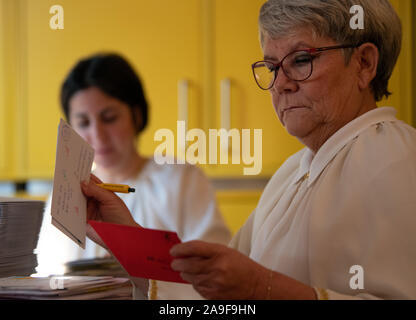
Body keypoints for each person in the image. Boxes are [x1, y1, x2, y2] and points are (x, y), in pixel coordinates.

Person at [81, 0, 416, 300]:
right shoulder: (292, 173)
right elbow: (215, 294)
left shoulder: (397, 159)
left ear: (364, 64)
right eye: (271, 67)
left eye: (301, 60)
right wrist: (125, 237)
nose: (281, 83)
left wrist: (260, 289)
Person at [36, 53, 232, 300]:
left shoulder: (182, 179)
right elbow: (46, 279)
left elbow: (215, 278)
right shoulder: (65, 193)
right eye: (83, 122)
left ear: (136, 115)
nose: (98, 135)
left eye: (109, 118)